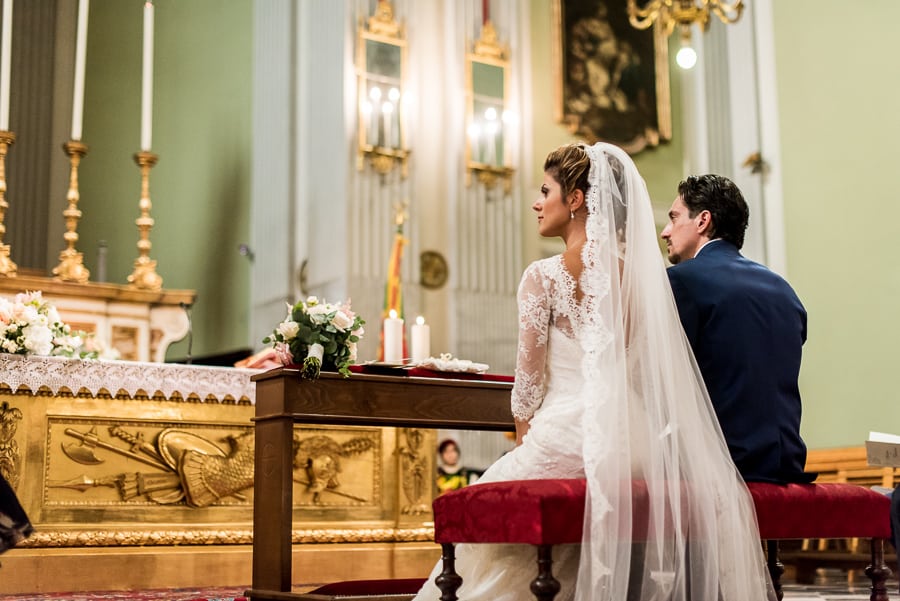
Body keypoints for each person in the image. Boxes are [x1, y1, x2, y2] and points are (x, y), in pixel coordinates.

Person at [412, 143, 775, 601]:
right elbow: (644, 375)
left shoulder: (542, 276)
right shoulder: (643, 280)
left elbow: (526, 388)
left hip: (569, 435)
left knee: (492, 514)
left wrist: (526, 444)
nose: (536, 202)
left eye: (545, 191)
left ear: (577, 199)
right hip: (634, 440)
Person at [660, 174, 814, 484]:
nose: (665, 231)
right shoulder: (783, 289)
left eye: (674, 218)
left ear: (703, 220)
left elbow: (659, 379)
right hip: (785, 463)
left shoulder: (682, 280)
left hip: (721, 463)